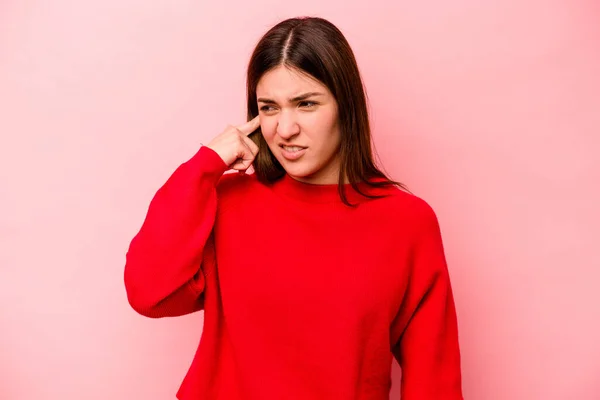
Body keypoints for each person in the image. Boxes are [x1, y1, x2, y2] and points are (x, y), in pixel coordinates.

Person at [124, 16, 463, 400]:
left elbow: (434, 380)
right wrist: (206, 165)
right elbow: (148, 292)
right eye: (269, 108)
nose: (285, 129)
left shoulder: (406, 222)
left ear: (344, 106)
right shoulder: (229, 202)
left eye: (306, 104)